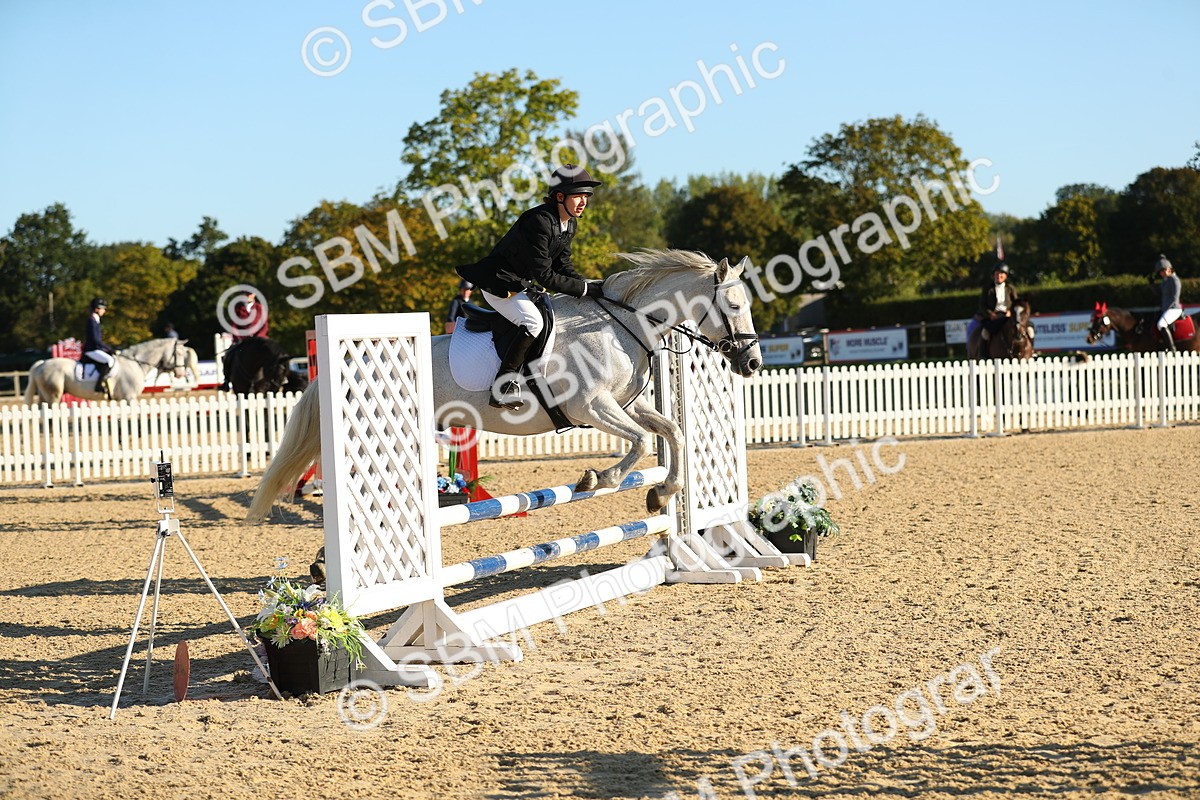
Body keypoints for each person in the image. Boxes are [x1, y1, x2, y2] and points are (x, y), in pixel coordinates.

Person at [456, 165, 607, 409]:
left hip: (519, 284)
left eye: (586, 197)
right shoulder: (539, 221)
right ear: (560, 197)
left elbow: (562, 264)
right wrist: (584, 290)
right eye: (578, 196)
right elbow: (546, 276)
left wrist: (587, 284)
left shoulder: (568, 224)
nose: (583, 202)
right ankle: (503, 385)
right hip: (498, 283)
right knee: (532, 323)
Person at [975, 263, 1020, 345]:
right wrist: (990, 314)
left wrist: (1010, 312)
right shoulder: (987, 288)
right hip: (993, 317)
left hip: (1007, 316)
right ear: (993, 275)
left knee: (1027, 329)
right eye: (997, 273)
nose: (999, 276)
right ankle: (983, 354)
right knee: (985, 333)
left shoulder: (1010, 288)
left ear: (1006, 276)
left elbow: (1016, 303)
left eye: (1001, 273)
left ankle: (1031, 351)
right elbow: (982, 305)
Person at [82, 297, 116, 392]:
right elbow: (96, 340)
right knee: (109, 360)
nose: (104, 311)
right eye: (103, 308)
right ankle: (98, 384)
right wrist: (108, 349)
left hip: (95, 349)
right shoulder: (92, 321)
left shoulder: (95, 320)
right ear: (97, 309)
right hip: (91, 350)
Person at [1153, 254, 1182, 351]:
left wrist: (1165, 309)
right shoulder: (1165, 281)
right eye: (1161, 272)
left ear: (1169, 269)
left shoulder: (1175, 280)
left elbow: (1175, 297)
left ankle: (1172, 349)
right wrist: (1152, 285)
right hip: (1166, 308)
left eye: (1163, 270)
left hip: (1174, 309)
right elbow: (1159, 293)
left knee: (1161, 324)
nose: (1162, 273)